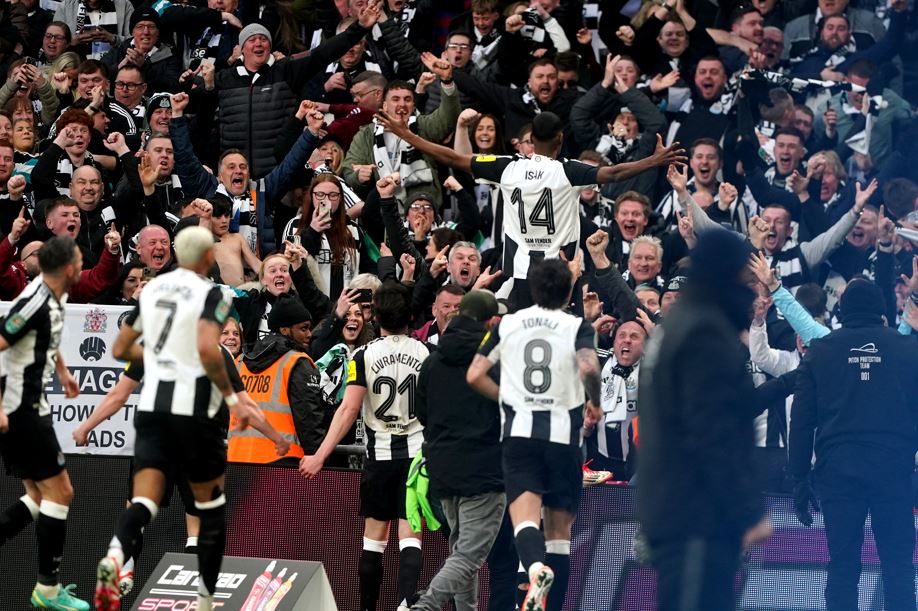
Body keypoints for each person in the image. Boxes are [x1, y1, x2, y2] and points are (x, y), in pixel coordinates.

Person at [94, 226, 259, 611]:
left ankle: (116, 557)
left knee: (143, 502)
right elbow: (207, 347)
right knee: (209, 510)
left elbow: (120, 347)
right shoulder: (215, 294)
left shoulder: (151, 291)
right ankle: (203, 599)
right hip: (192, 418)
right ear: (206, 258)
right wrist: (233, 397)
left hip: (151, 413)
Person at [375, 110, 685, 310]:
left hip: (521, 276)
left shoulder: (508, 168)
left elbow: (454, 159)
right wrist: (652, 161)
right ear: (560, 140)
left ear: (531, 141)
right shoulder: (570, 171)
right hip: (562, 276)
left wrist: (407, 135)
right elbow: (614, 173)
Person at [637, 230, 772, 611]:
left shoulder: (675, 329)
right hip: (697, 513)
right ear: (725, 275)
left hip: (672, 504)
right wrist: (748, 510)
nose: (749, 288)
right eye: (745, 279)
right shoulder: (704, 333)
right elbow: (712, 432)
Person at [467, 258, 601, 611]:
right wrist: (595, 402)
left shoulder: (508, 323)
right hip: (563, 439)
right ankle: (549, 593)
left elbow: (474, 374)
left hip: (520, 435)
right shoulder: (576, 326)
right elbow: (588, 366)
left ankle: (534, 567)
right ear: (568, 291)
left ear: (532, 287)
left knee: (524, 517)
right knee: (559, 537)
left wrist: (508, 397)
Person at [300, 281, 430, 611]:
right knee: (411, 536)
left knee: (373, 541)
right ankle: (405, 604)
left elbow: (348, 409)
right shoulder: (427, 353)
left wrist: (320, 455)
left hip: (379, 458)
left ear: (377, 318)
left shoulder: (363, 355)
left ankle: (367, 608)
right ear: (412, 316)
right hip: (417, 458)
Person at [789, 278, 918, 611]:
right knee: (899, 568)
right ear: (881, 311)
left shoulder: (820, 351)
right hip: (895, 472)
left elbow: (801, 421)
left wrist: (799, 477)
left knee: (843, 568)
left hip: (839, 474)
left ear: (842, 311)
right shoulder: (909, 350)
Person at [0, 236, 88, 611]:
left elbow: (44, 341)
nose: (84, 264)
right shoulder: (34, 302)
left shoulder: (56, 293)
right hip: (19, 410)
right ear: (69, 268)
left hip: (30, 405)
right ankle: (46, 592)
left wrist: (64, 372)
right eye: (81, 259)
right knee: (61, 493)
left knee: (39, 497)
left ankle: (46, 590)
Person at [413, 289, 504, 611]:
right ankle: (426, 607)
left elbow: (420, 410)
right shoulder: (494, 360)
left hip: (442, 467)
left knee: (460, 552)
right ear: (491, 320)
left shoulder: (432, 360)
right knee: (469, 555)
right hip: (484, 468)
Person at [228, 294, 324, 463]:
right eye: (304, 328)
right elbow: (310, 418)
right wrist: (317, 458)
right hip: (282, 462)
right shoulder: (297, 363)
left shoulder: (240, 361)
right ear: (285, 330)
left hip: (238, 460)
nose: (309, 334)